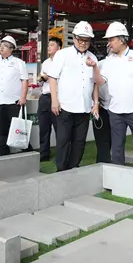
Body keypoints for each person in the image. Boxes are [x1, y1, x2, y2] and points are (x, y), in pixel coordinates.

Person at [96, 22, 133, 168]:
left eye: (111, 39)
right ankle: (118, 176)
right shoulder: (108, 62)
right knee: (117, 148)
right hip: (115, 111)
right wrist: (93, 68)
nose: (109, 43)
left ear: (121, 39)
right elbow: (100, 82)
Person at [48, 22, 100, 171]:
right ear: (74, 37)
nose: (83, 43)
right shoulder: (63, 55)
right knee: (63, 141)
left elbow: (95, 83)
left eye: (86, 40)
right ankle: (61, 170)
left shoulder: (93, 58)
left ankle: (74, 168)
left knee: (79, 141)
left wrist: (96, 103)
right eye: (80, 39)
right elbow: (52, 77)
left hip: (84, 108)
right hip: (65, 106)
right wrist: (54, 101)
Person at [0, 35, 28, 156]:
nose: (1, 48)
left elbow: (24, 81)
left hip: (14, 102)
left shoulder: (19, 63)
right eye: (1, 45)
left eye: (5, 46)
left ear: (12, 49)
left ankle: (26, 150)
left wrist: (23, 97)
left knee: (17, 128)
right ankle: (3, 150)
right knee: (1, 129)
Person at [37, 37, 62, 162]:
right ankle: (44, 153)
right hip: (45, 97)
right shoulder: (45, 63)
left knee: (59, 128)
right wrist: (41, 79)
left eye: (52, 45)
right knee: (43, 127)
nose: (49, 47)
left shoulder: (63, 62)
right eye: (48, 45)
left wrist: (49, 77)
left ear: (59, 48)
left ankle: (61, 154)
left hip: (57, 97)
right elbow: (41, 80)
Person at [93, 53, 112, 164]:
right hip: (100, 106)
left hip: (116, 107)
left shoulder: (124, 65)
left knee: (113, 139)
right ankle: (102, 162)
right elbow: (93, 84)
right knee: (101, 139)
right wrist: (95, 102)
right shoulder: (99, 65)